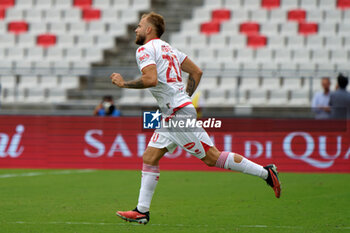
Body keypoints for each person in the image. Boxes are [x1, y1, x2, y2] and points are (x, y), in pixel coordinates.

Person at [110, 12, 281, 225]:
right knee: (150, 157)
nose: (135, 29)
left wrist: (123, 84)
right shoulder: (170, 50)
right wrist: (185, 98)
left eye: (139, 25)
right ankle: (142, 211)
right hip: (174, 112)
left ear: (148, 30)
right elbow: (197, 72)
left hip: (176, 113)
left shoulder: (144, 50)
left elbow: (151, 79)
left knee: (213, 158)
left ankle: (265, 173)